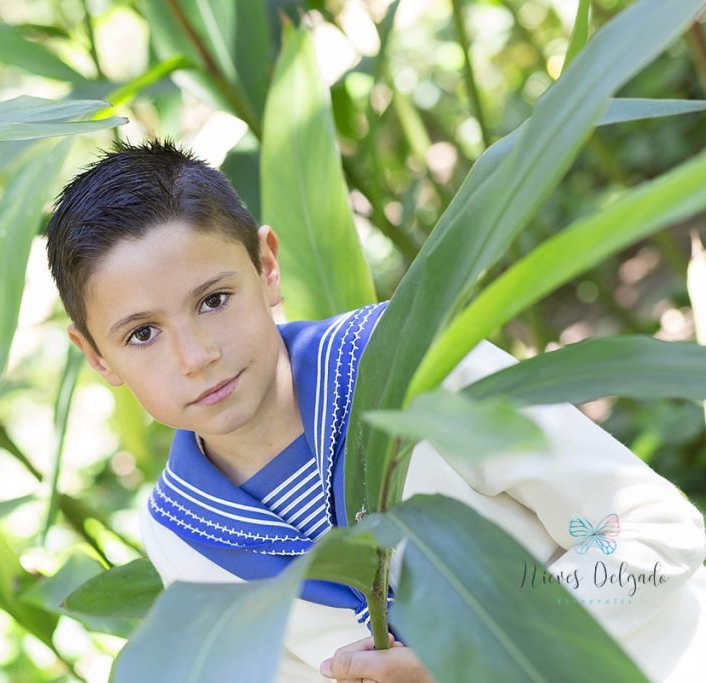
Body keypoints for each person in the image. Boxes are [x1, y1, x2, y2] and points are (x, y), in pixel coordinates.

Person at [44, 138, 706, 682]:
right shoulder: (180, 533)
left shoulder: (401, 366)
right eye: (142, 334)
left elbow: (652, 532)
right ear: (96, 356)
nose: (195, 356)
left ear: (266, 266)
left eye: (213, 299)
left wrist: (471, 656)